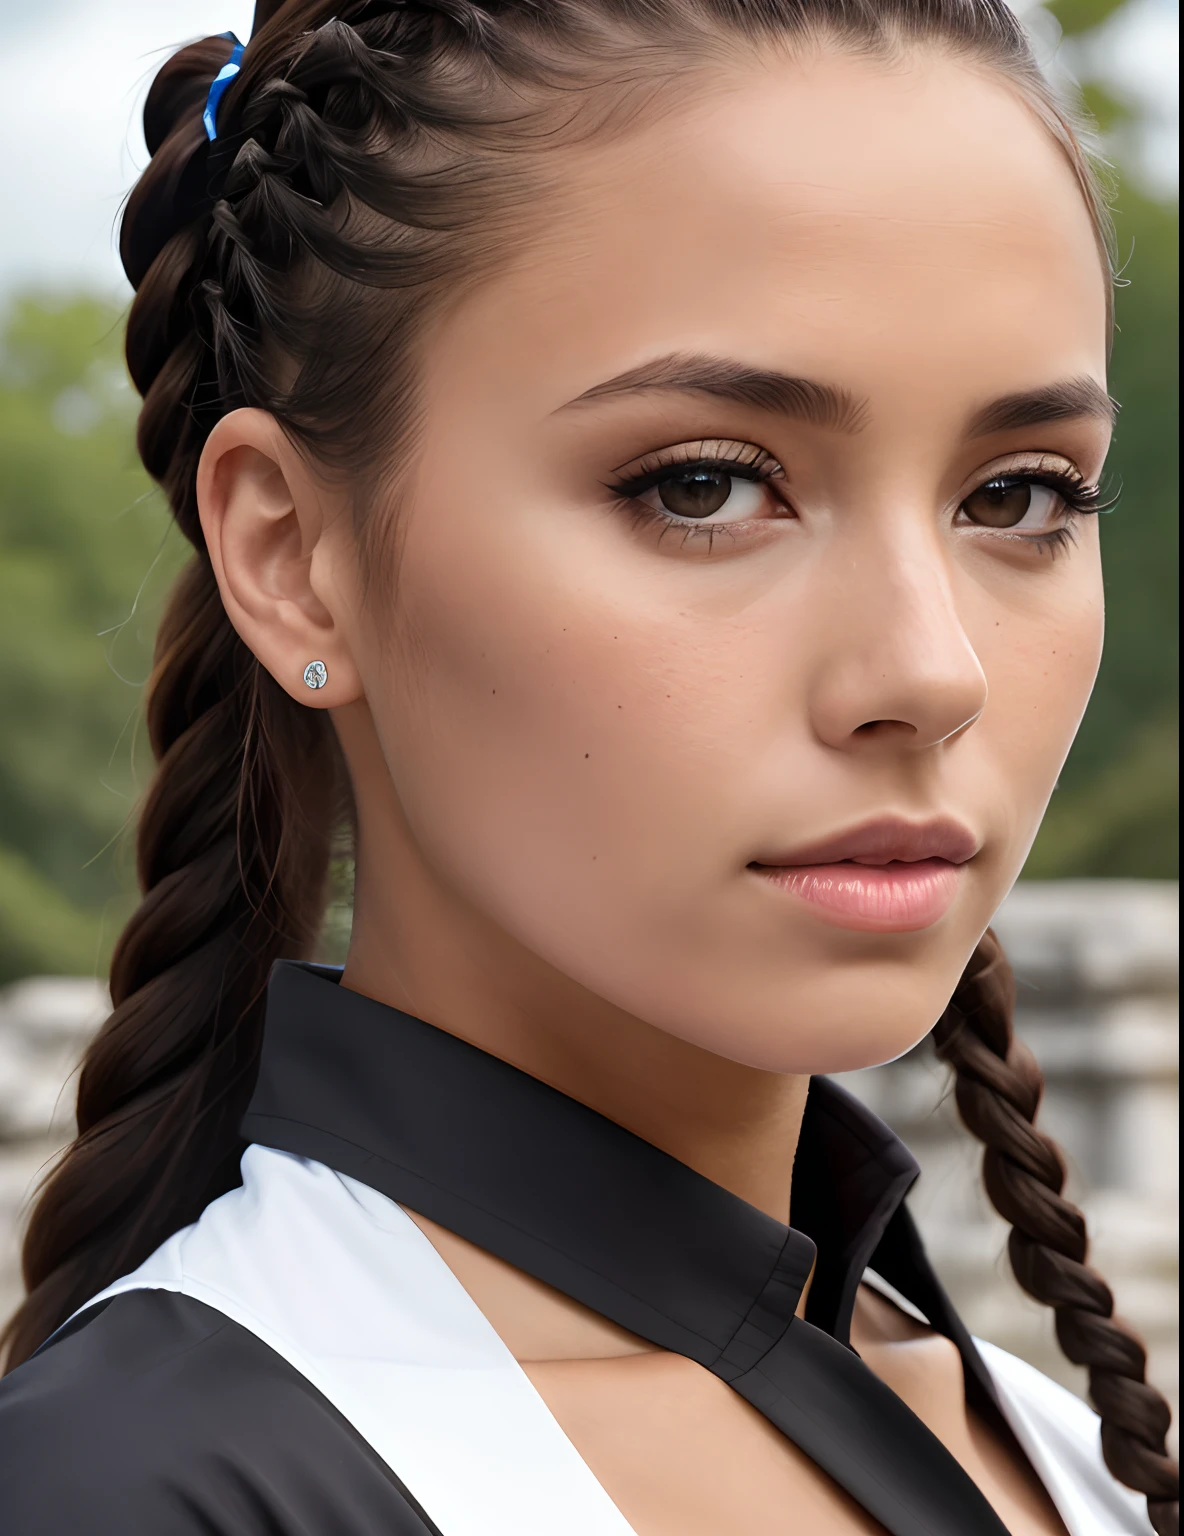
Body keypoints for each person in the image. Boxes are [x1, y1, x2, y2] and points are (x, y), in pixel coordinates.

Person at [0, 1, 1177, 1532]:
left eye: (1020, 497)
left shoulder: (1054, 1450)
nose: (929, 671)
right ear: (291, 555)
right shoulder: (138, 1490)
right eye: (704, 485)